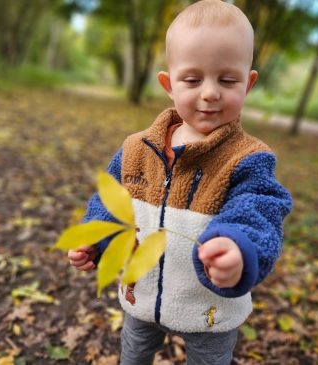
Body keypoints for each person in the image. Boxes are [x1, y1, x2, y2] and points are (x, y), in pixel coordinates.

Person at [68, 1, 292, 364]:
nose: (209, 93)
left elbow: (259, 211)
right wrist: (96, 240)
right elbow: (111, 201)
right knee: (134, 353)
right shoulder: (137, 149)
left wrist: (239, 249)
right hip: (142, 294)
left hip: (210, 309)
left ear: (248, 84)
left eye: (227, 79)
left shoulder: (249, 160)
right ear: (169, 84)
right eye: (192, 79)